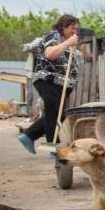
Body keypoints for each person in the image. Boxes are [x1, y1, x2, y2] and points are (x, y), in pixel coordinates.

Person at [17, 14, 91, 156]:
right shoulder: (53, 35)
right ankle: (52, 148)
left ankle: (28, 136)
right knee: (54, 112)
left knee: (57, 114)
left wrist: (84, 50)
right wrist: (68, 43)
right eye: (72, 28)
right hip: (48, 80)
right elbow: (50, 54)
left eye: (77, 29)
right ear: (63, 26)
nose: (74, 32)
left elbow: (79, 56)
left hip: (63, 84)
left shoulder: (69, 40)